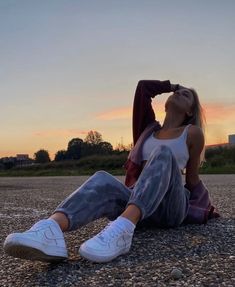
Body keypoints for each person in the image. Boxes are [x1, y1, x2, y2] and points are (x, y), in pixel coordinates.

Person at [3, 80, 219, 263]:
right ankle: (50, 231)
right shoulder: (148, 130)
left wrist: (203, 209)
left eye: (187, 95)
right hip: (140, 204)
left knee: (163, 153)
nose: (180, 93)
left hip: (170, 208)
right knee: (101, 178)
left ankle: (122, 229)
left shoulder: (192, 133)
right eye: (178, 92)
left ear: (190, 111)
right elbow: (143, 88)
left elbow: (191, 179)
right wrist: (171, 85)